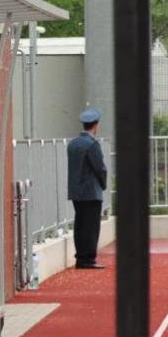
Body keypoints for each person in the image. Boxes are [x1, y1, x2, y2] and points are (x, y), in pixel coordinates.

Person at [67, 108, 108, 269]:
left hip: (76, 191)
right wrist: (103, 184)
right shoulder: (92, 145)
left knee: (80, 224)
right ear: (96, 124)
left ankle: (81, 256)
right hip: (91, 191)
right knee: (91, 227)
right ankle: (88, 258)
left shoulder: (73, 144)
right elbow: (100, 168)